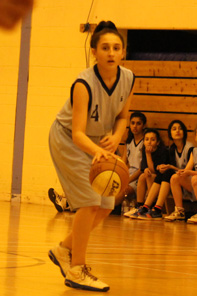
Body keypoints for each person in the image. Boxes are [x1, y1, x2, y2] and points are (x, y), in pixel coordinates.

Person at [48, 21, 134, 292]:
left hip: (99, 142)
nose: (111, 52)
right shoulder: (83, 83)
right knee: (89, 202)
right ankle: (76, 268)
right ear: (94, 51)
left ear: (123, 52)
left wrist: (118, 137)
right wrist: (99, 151)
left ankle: (64, 249)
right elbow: (77, 134)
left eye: (116, 48)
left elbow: (123, 116)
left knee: (107, 205)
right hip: (69, 140)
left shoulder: (129, 78)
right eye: (105, 47)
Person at [135, 120, 194, 220]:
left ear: (184, 132)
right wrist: (163, 167)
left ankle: (157, 209)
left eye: (180, 128)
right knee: (164, 174)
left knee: (169, 173)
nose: (177, 131)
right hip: (178, 180)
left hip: (190, 180)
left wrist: (170, 167)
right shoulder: (172, 149)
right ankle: (146, 207)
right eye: (174, 129)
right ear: (170, 133)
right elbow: (173, 168)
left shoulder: (190, 148)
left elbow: (187, 171)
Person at [129, 128, 169, 219]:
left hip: (161, 176)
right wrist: (146, 168)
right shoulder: (144, 150)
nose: (149, 142)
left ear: (158, 142)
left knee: (148, 176)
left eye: (153, 139)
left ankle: (150, 205)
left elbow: (155, 170)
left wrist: (148, 155)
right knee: (143, 176)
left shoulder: (162, 151)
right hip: (151, 175)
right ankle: (140, 206)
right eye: (147, 139)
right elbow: (143, 166)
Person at [114, 112, 146, 216]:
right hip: (128, 174)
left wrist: (127, 180)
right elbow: (123, 162)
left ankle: (104, 210)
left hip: (139, 177)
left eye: (138, 123)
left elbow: (142, 169)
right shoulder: (129, 142)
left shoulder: (145, 142)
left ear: (143, 125)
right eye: (132, 123)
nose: (135, 126)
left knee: (124, 190)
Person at [164, 125, 196, 222]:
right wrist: (183, 172)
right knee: (175, 177)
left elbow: (191, 172)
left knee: (195, 179)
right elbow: (187, 169)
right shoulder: (194, 151)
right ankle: (179, 211)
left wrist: (191, 172)